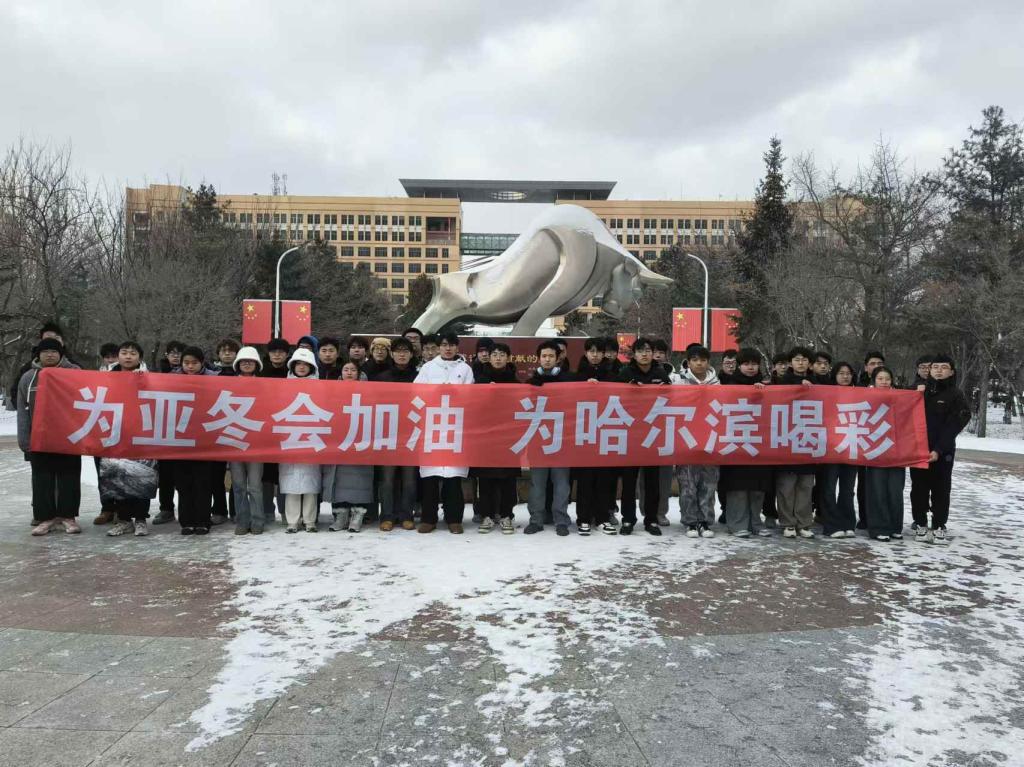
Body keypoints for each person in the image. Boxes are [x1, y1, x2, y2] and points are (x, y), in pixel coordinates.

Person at [18, 339, 83, 536]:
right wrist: (25, 439)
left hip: (69, 436)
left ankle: (68, 517)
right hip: (40, 437)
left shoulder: (75, 373)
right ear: (38, 355)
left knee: (69, 477)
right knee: (42, 479)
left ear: (61, 354)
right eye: (45, 351)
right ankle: (45, 518)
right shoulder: (28, 378)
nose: (49, 355)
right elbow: (22, 410)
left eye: (54, 351)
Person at [413, 332, 474, 534]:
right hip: (432, 426)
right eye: (444, 345)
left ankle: (454, 518)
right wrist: (435, 392)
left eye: (452, 345)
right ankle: (429, 518)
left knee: (453, 478)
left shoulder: (465, 369)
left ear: (457, 347)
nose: (448, 349)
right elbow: (415, 392)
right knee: (430, 477)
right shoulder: (428, 368)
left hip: (455, 427)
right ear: (439, 347)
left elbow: (472, 394)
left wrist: (456, 393)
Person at [911, 354, 971, 544]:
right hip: (918, 450)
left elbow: (956, 423)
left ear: (951, 372)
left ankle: (939, 525)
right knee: (918, 489)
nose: (939, 370)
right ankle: (920, 523)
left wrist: (938, 449)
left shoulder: (956, 395)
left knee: (941, 489)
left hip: (943, 452)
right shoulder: (919, 391)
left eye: (944, 367)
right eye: (935, 367)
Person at [616, 338, 670, 536]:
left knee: (652, 481)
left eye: (648, 350)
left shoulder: (660, 373)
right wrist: (629, 390)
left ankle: (651, 519)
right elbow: (613, 398)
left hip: (653, 433)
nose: (644, 354)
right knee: (629, 481)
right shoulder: (625, 373)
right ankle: (628, 519)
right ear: (634, 354)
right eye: (640, 351)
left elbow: (671, 399)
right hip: (630, 433)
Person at [718, 349, 772, 537]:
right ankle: (737, 523)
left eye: (754, 364)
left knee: (758, 486)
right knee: (737, 486)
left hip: (758, 441)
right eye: (746, 364)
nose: (751, 367)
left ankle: (755, 522)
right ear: (739, 366)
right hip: (736, 440)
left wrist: (763, 392)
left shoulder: (767, 386)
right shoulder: (729, 384)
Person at [524, 341, 575, 536]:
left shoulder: (568, 381)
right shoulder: (531, 382)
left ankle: (561, 520)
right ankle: (536, 519)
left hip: (561, 439)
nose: (547, 359)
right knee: (537, 483)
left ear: (557, 358)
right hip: (537, 439)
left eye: (551, 356)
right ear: (538, 358)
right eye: (544, 356)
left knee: (561, 483)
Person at [472, 343, 520, 534]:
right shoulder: (479, 381)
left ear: (508, 358)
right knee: (485, 480)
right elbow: (473, 407)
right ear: (489, 357)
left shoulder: (515, 383)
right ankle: (487, 515)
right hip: (486, 438)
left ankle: (507, 515)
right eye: (494, 354)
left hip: (508, 438)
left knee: (508, 480)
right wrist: (485, 393)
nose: (498, 358)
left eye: (502, 354)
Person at [674, 345, 720, 538]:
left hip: (711, 438)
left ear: (708, 362)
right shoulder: (678, 381)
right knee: (687, 484)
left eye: (702, 360)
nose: (699, 363)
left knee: (708, 484)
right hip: (686, 437)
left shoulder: (718, 383)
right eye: (695, 360)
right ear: (688, 362)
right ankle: (690, 522)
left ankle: (705, 521)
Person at [173, 346, 217, 535]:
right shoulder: (171, 380)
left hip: (204, 439)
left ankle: (203, 520)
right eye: (186, 363)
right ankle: (186, 521)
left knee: (203, 483)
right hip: (180, 438)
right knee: (184, 484)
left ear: (202, 363)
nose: (190, 366)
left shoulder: (214, 380)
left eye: (194, 363)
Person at [575, 338, 618, 534]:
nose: (594, 355)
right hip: (584, 434)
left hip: (605, 432)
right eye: (591, 351)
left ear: (603, 354)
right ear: (586, 353)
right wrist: (584, 386)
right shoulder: (576, 376)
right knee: (585, 479)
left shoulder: (613, 376)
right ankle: (583, 518)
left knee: (604, 479)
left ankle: (602, 517)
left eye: (598, 351)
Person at [773, 346, 817, 539]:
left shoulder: (817, 383)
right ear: (790, 362)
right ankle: (787, 522)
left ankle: (804, 522)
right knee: (786, 485)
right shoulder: (781, 382)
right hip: (787, 437)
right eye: (797, 359)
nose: (801, 363)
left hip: (809, 438)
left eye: (804, 359)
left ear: (809, 363)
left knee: (806, 485)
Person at [376, 340, 419, 531]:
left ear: (411, 354)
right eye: (398, 351)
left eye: (405, 351)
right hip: (388, 433)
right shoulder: (381, 378)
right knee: (387, 479)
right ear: (391, 354)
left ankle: (406, 515)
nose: (402, 355)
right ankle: (387, 516)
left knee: (410, 479)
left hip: (412, 433)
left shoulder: (419, 377)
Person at [280, 348, 323, 533]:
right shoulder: (283, 386)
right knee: (291, 483)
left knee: (310, 483)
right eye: (298, 364)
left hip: (312, 436)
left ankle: (310, 520)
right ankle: (292, 521)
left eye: (306, 364)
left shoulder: (320, 386)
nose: (302, 367)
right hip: (290, 437)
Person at [864, 367, 905, 541]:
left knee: (895, 491)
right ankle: (879, 527)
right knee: (877, 490)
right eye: (880, 378)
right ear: (874, 381)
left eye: (887, 378)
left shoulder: (901, 397)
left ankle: (895, 526)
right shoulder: (865, 397)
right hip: (875, 450)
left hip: (897, 451)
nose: (884, 382)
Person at [821, 362, 859, 539]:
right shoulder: (826, 393)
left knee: (848, 489)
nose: (845, 376)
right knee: (828, 488)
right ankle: (831, 525)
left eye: (848, 373)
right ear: (834, 375)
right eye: (841, 373)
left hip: (851, 446)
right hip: (830, 448)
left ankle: (848, 523)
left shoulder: (859, 393)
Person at [229, 347, 265, 534]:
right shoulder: (228, 384)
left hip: (256, 442)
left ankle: (258, 520)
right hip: (234, 440)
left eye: (251, 361)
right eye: (243, 361)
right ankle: (242, 520)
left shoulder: (264, 385)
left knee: (255, 486)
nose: (247, 364)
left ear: (257, 364)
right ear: (238, 364)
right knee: (239, 485)